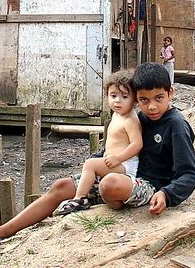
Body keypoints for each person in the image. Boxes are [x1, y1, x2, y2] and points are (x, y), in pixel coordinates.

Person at [0, 62, 195, 251]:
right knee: (61, 185)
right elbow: (113, 149)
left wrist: (167, 194)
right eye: (144, 100)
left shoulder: (176, 126)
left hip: (149, 185)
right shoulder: (139, 117)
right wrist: (95, 161)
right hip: (124, 173)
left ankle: (106, 198)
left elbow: (189, 174)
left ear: (170, 93)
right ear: (137, 99)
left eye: (159, 99)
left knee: (109, 184)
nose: (152, 106)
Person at [53, 70, 143, 215]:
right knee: (92, 165)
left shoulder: (130, 120)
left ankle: (80, 198)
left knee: (90, 164)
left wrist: (118, 158)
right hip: (115, 162)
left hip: (126, 165)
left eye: (125, 97)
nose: (117, 101)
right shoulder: (117, 115)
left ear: (135, 100)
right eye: (113, 96)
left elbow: (137, 144)